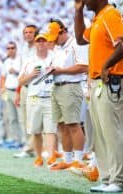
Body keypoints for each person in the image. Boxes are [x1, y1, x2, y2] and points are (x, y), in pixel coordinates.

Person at [74, 0, 123, 192]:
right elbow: (80, 39)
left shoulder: (110, 14)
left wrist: (106, 65)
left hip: (112, 81)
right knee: (101, 135)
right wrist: (78, 11)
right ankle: (108, 178)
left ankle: (121, 180)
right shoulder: (97, 17)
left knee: (113, 133)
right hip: (99, 83)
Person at [47, 19, 88, 170]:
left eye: (55, 37)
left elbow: (84, 67)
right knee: (62, 125)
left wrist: (61, 71)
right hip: (57, 86)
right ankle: (68, 159)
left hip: (70, 87)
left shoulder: (76, 43)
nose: (54, 41)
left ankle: (79, 160)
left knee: (73, 124)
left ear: (63, 31)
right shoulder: (58, 48)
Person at [18, 33, 57, 167]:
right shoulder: (29, 60)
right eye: (38, 41)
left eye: (43, 41)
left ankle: (51, 157)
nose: (41, 43)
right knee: (36, 130)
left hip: (50, 97)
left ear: (47, 43)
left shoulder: (55, 57)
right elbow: (20, 81)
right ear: (35, 44)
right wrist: (31, 74)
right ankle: (39, 156)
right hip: (34, 98)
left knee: (50, 129)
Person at [13, 24, 38, 158]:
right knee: (25, 119)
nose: (28, 34)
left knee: (35, 118)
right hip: (24, 87)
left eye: (30, 32)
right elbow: (22, 72)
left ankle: (32, 147)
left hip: (35, 87)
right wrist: (18, 91)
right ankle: (29, 146)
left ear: (36, 34)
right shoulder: (23, 50)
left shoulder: (38, 48)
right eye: (25, 32)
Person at [2, 41, 22, 147]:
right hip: (8, 91)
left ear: (16, 49)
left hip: (17, 90)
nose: (10, 50)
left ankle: (24, 140)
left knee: (21, 117)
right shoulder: (6, 61)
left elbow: (24, 75)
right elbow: (3, 76)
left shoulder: (21, 59)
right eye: (8, 48)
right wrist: (2, 88)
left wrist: (16, 72)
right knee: (12, 118)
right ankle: (16, 139)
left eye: (12, 48)